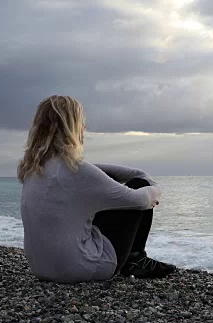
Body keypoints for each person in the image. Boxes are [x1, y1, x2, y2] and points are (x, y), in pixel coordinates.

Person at [17, 95, 176, 283]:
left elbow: (94, 171)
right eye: (81, 123)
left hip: (41, 268)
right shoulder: (77, 171)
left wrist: (137, 173)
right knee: (139, 187)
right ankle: (135, 259)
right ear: (73, 127)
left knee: (113, 187)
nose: (84, 128)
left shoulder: (34, 168)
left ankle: (135, 259)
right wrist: (153, 186)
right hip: (83, 268)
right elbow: (140, 200)